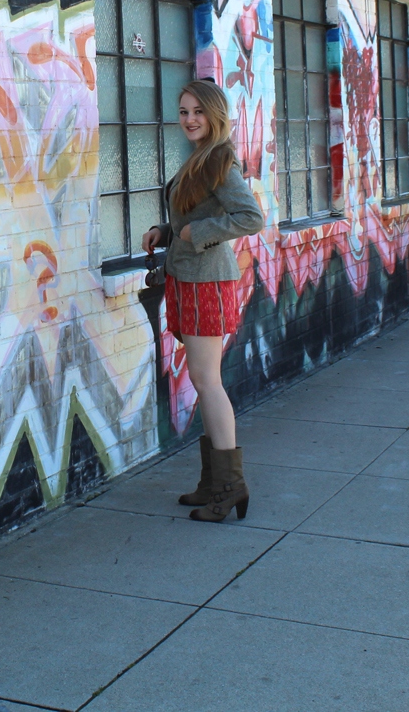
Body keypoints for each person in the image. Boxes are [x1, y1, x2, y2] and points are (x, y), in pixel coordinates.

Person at [142, 80, 263, 523]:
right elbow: (197, 216)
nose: (190, 118)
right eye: (184, 111)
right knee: (202, 378)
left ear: (215, 115)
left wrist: (198, 234)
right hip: (189, 278)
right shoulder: (199, 159)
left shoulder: (219, 160)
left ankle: (230, 487)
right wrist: (168, 231)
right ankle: (214, 483)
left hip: (205, 282)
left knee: (207, 381)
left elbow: (251, 217)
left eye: (198, 111)